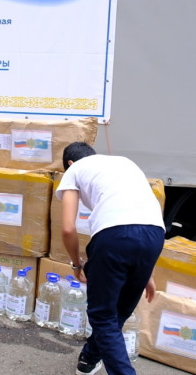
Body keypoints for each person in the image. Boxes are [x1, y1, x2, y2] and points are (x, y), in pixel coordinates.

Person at [55, 142, 165, 375]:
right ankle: (88, 359)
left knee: (103, 315)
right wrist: (147, 272)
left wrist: (77, 264)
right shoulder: (124, 163)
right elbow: (141, 215)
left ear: (70, 163)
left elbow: (67, 228)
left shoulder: (74, 170)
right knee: (120, 310)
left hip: (114, 235)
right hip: (155, 234)